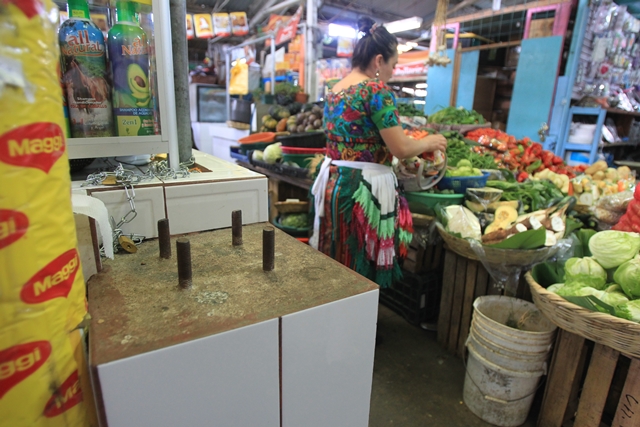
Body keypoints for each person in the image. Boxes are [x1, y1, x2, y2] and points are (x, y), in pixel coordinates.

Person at [310, 17, 447, 288]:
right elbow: (401, 148)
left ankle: (333, 321)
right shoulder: (376, 91)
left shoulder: (335, 89)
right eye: (393, 65)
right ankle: (357, 323)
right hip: (364, 192)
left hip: (335, 185)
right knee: (360, 268)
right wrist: (430, 142)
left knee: (337, 258)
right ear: (378, 60)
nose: (392, 72)